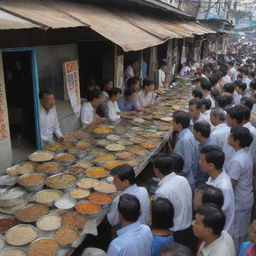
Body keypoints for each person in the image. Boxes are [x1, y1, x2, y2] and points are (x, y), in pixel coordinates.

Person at [153, 154, 196, 253]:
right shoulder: (182, 179)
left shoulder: (162, 192)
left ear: (157, 170)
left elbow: (161, 217)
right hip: (188, 227)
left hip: (175, 233)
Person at [227, 127, 254, 249]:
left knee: (236, 236)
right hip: (245, 197)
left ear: (237, 142)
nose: (228, 138)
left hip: (239, 200)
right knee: (241, 232)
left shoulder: (237, 160)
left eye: (230, 136)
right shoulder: (244, 153)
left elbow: (231, 183)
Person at [199, 145, 235, 235]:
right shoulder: (213, 177)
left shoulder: (223, 187)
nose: (199, 162)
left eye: (202, 160)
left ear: (211, 165)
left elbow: (217, 215)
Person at [172, 111, 198, 188]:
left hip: (186, 180)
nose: (172, 123)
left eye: (173, 121)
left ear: (179, 124)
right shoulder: (186, 134)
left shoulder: (184, 140)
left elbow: (186, 165)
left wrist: (174, 175)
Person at [193, 122, 213, 187]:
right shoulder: (206, 143)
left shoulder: (207, 149)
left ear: (198, 134)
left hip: (202, 182)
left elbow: (203, 171)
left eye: (194, 132)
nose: (193, 134)